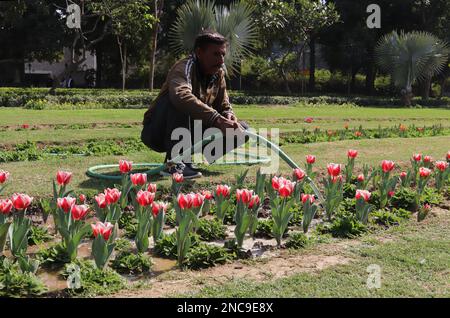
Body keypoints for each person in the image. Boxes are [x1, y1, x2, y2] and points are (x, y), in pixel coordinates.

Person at [141, 30, 248, 179]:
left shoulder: (218, 74)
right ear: (199, 52)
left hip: (192, 133)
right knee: (181, 102)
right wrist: (216, 119)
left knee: (242, 130)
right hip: (157, 132)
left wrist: (228, 116)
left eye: (223, 54)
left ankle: (198, 156)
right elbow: (181, 96)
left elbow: (224, 104)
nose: (221, 60)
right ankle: (175, 165)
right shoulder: (184, 67)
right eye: (216, 54)